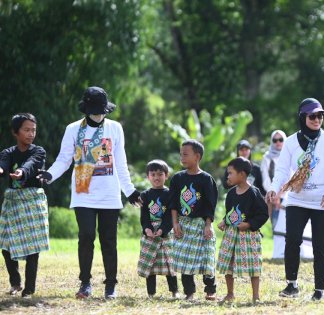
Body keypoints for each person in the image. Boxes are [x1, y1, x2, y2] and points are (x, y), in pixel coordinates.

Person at [38, 87, 141, 299]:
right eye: (95, 110)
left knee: (109, 240)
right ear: (86, 109)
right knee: (86, 237)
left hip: (110, 195)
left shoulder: (115, 128)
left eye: (102, 110)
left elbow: (121, 163)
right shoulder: (73, 129)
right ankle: (85, 283)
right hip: (83, 193)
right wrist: (49, 175)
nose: (99, 114)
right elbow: (64, 159)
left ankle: (110, 285)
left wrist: (130, 191)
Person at [266, 98, 324, 301]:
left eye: (320, 115)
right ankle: (292, 285)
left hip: (323, 201)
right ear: (302, 117)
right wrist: (275, 189)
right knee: (292, 241)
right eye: (312, 116)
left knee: (320, 246)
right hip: (297, 200)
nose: (317, 119)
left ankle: (319, 291)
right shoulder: (290, 142)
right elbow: (282, 170)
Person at [0, 113, 49, 298]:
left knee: (32, 247)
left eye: (33, 130)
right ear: (15, 132)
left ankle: (29, 289)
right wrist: (2, 169)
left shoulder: (38, 151)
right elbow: (3, 164)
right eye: (26, 130)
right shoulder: (8, 153)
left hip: (32, 200)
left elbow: (30, 164)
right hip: (12, 201)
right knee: (5, 245)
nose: (31, 134)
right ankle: (15, 282)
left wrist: (21, 171)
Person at [169, 140, 218, 300]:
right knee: (184, 259)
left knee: (206, 257)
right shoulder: (177, 179)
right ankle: (189, 292)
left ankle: (210, 290)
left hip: (201, 224)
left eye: (185, 154)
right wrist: (175, 223)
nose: (182, 157)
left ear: (197, 156)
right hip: (183, 224)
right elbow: (174, 203)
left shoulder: (206, 179)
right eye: (181, 154)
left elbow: (211, 204)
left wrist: (208, 225)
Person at [217, 157, 269, 303]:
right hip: (231, 235)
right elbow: (230, 213)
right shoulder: (231, 194)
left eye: (231, 173)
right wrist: (224, 221)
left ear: (242, 174)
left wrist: (249, 224)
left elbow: (263, 214)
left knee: (253, 265)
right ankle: (230, 293)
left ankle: (256, 296)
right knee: (228, 263)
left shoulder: (254, 192)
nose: (228, 176)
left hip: (248, 236)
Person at [137, 159, 178, 298]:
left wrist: (163, 229)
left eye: (160, 174)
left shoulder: (170, 193)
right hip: (149, 234)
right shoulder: (145, 195)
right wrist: (147, 229)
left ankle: (174, 292)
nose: (156, 177)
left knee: (169, 263)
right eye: (153, 174)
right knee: (150, 264)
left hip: (166, 233)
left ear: (166, 175)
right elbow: (144, 216)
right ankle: (151, 293)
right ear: (148, 176)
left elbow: (170, 215)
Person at [260, 130, 287, 227]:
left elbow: (293, 177)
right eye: (275, 140)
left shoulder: (290, 155)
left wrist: (281, 194)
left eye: (281, 139)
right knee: (276, 228)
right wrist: (274, 195)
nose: (278, 142)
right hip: (273, 198)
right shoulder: (267, 158)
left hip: (289, 196)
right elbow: (266, 180)